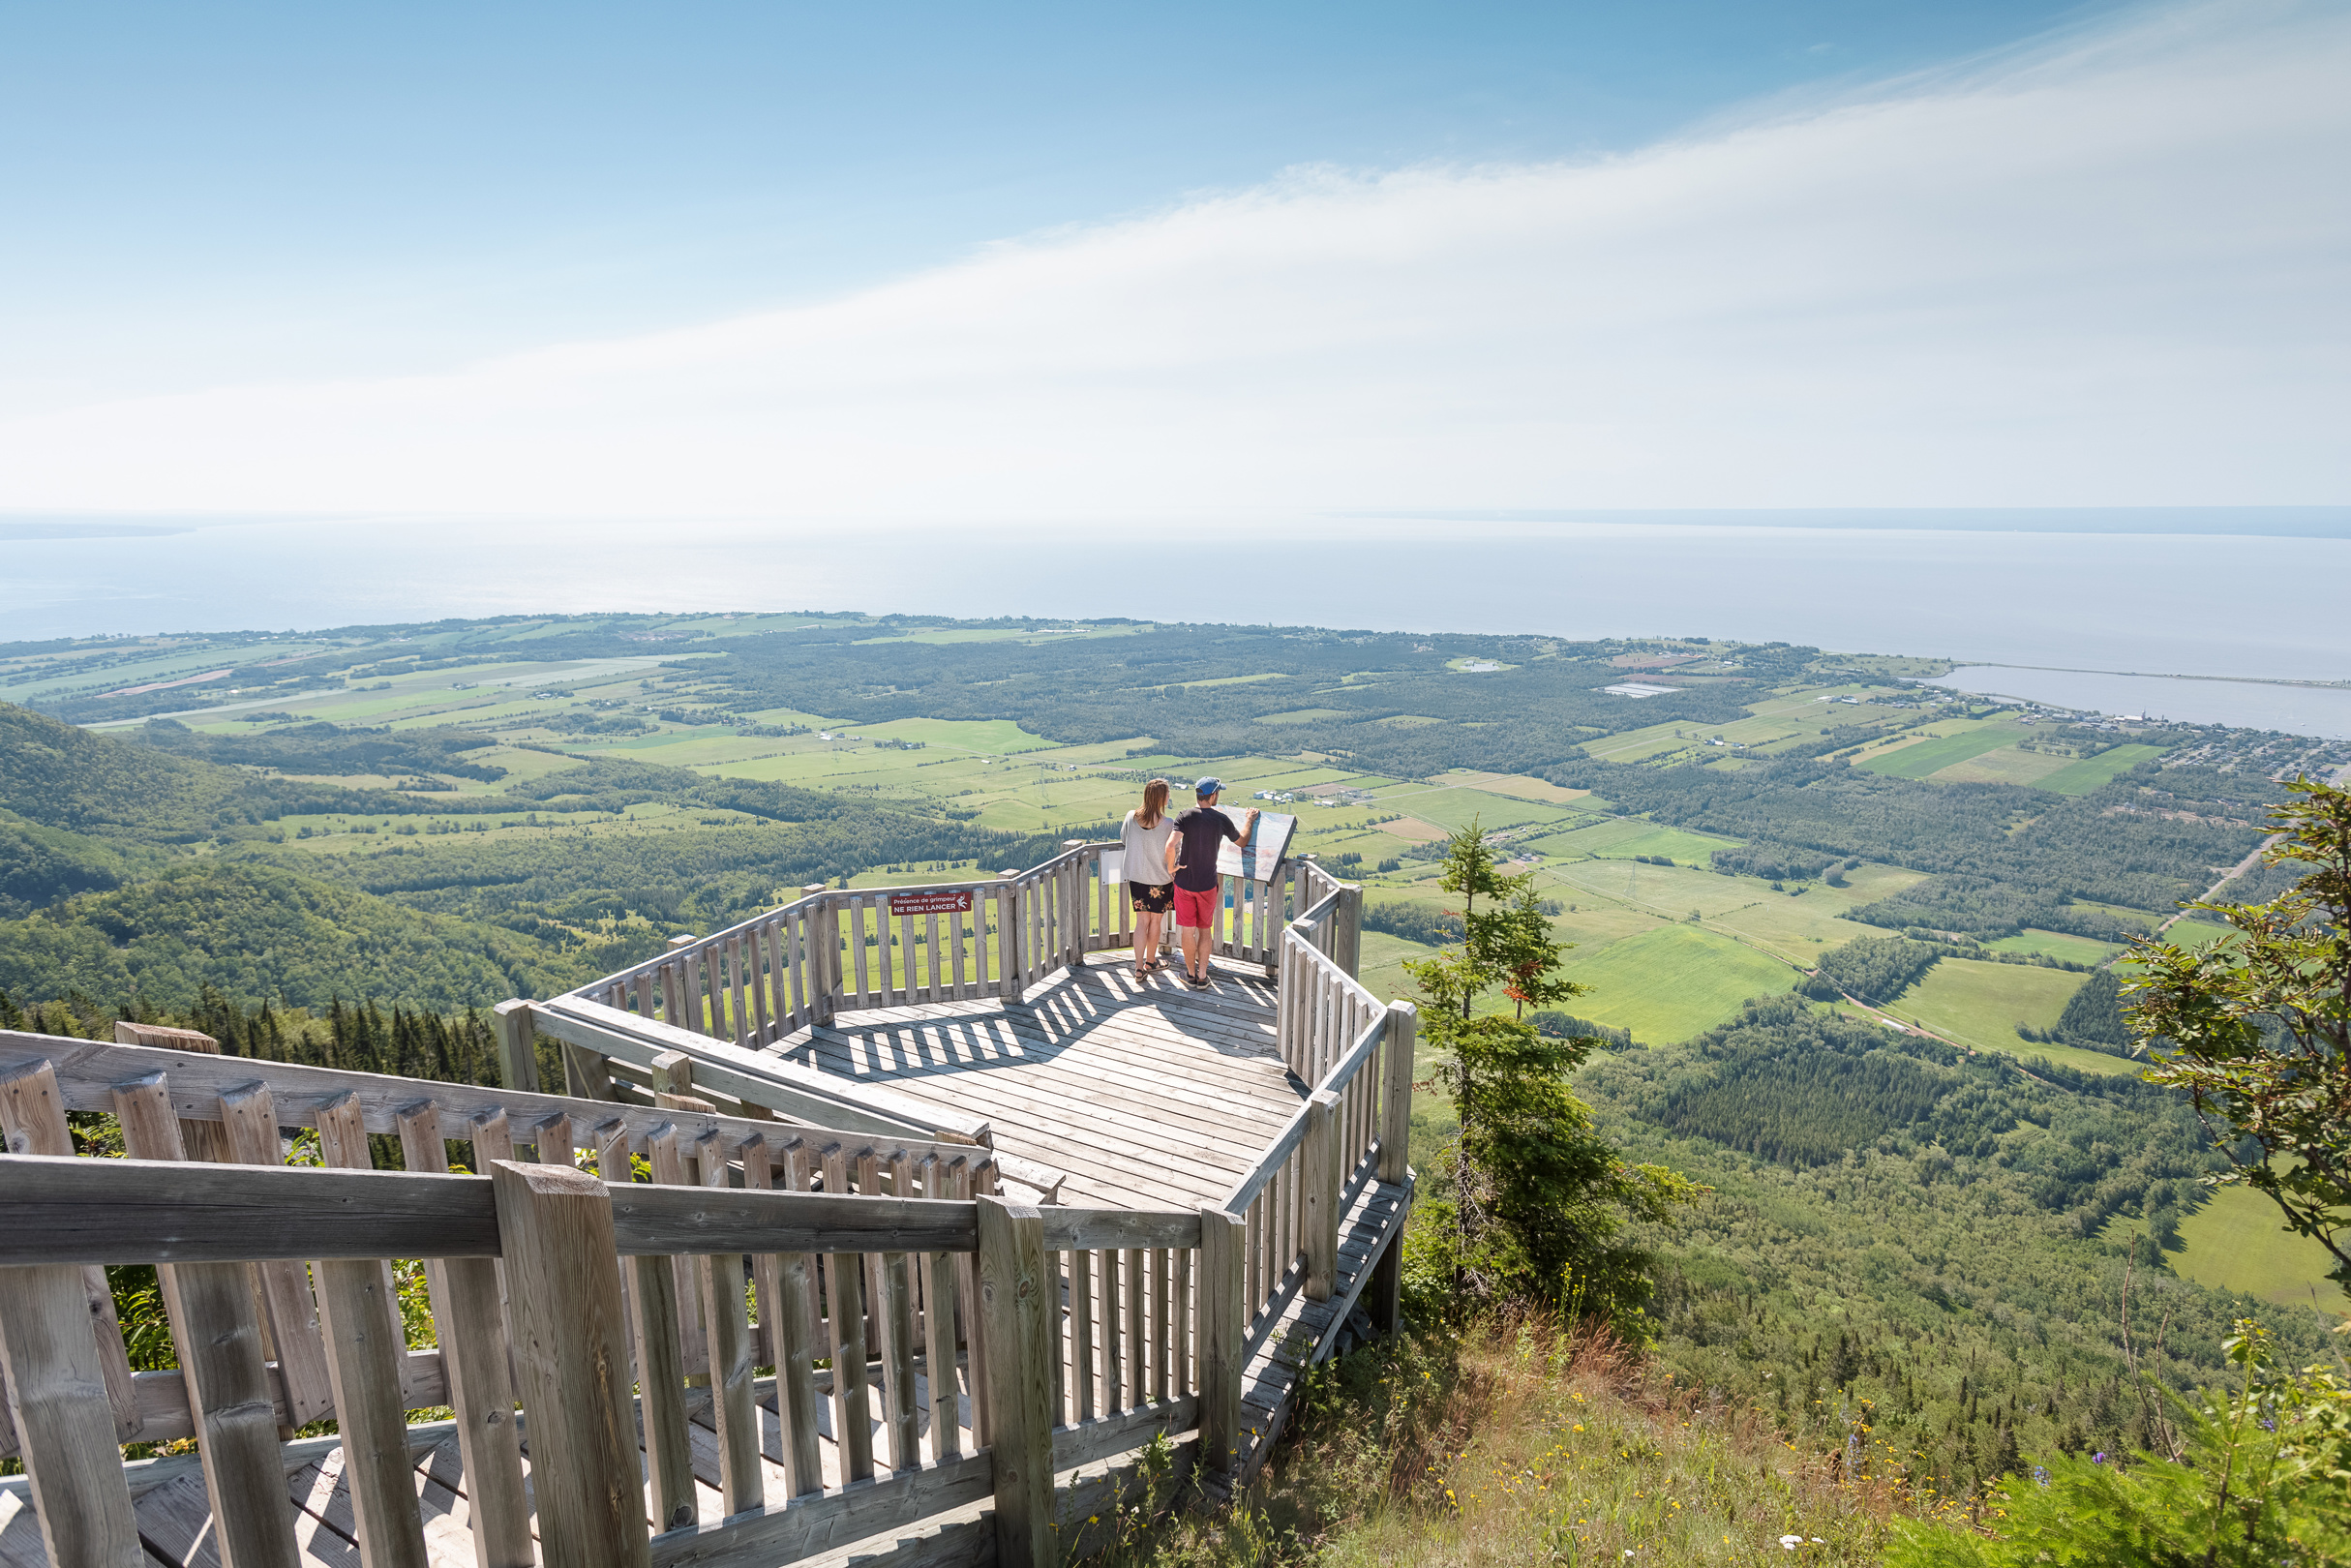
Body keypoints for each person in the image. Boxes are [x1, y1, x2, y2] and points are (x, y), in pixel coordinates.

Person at [1165, 776, 1257, 990]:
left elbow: (1170, 846)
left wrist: (1171, 868)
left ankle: (1190, 974)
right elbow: (1242, 841)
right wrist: (1250, 820)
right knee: (1205, 930)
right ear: (1214, 795)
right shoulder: (1220, 819)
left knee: (1187, 931)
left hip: (1184, 883)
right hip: (1207, 884)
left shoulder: (1185, 816)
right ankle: (1202, 976)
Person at [1118, 779, 1179, 980]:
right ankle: (1150, 962)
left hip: (1136, 877)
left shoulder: (1131, 817)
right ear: (1161, 797)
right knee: (1155, 921)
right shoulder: (1168, 824)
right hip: (1160, 879)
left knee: (1141, 922)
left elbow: (1124, 839)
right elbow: (1174, 850)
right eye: (1167, 793)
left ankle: (1138, 968)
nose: (1169, 796)